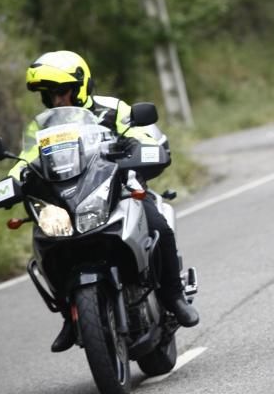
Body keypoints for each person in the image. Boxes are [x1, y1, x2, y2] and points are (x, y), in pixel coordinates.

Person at [11, 50, 199, 352]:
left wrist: (140, 147)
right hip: (69, 200)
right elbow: (25, 159)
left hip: (119, 189)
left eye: (62, 91)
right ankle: (70, 315)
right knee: (46, 243)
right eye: (50, 95)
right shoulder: (40, 128)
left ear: (80, 84)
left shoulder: (111, 109)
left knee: (159, 227)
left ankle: (173, 298)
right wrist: (13, 179)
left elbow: (144, 134)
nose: (57, 101)